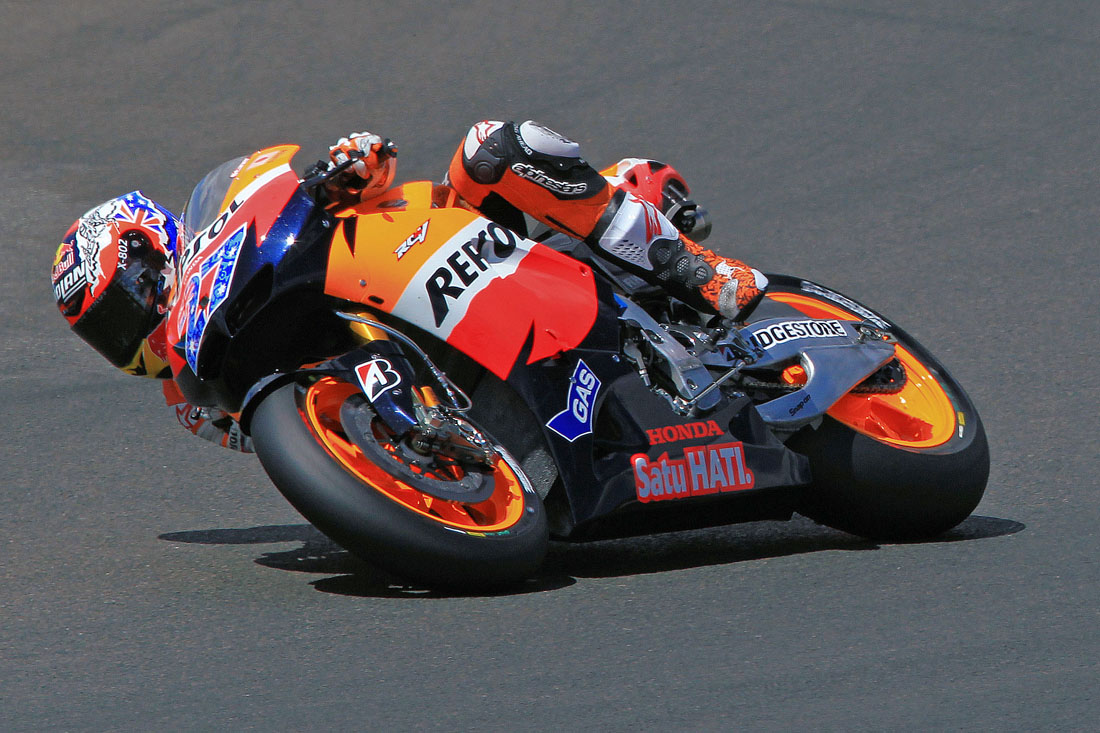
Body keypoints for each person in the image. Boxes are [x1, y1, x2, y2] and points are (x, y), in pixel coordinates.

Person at [52, 121, 767, 453]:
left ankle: (696, 274)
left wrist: (350, 163)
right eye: (108, 330)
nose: (130, 325)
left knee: (496, 146)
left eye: (128, 296)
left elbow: (374, 170)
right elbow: (284, 440)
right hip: (415, 368)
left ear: (155, 246)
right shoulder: (189, 391)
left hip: (440, 239)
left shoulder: (234, 218)